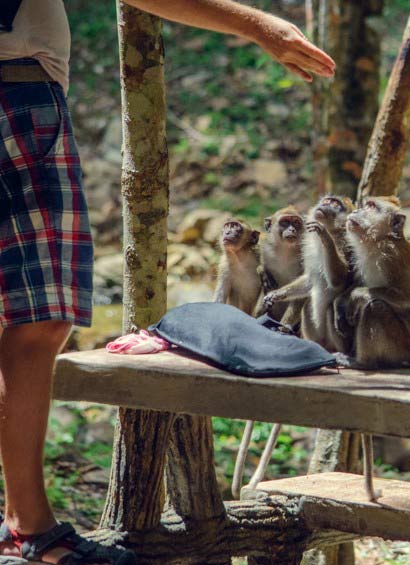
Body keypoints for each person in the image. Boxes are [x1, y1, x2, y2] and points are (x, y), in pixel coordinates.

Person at [0, 0, 334, 563]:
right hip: (18, 97)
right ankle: (28, 527)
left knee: (38, 318)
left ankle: (27, 525)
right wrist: (259, 26)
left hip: (23, 90)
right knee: (40, 316)